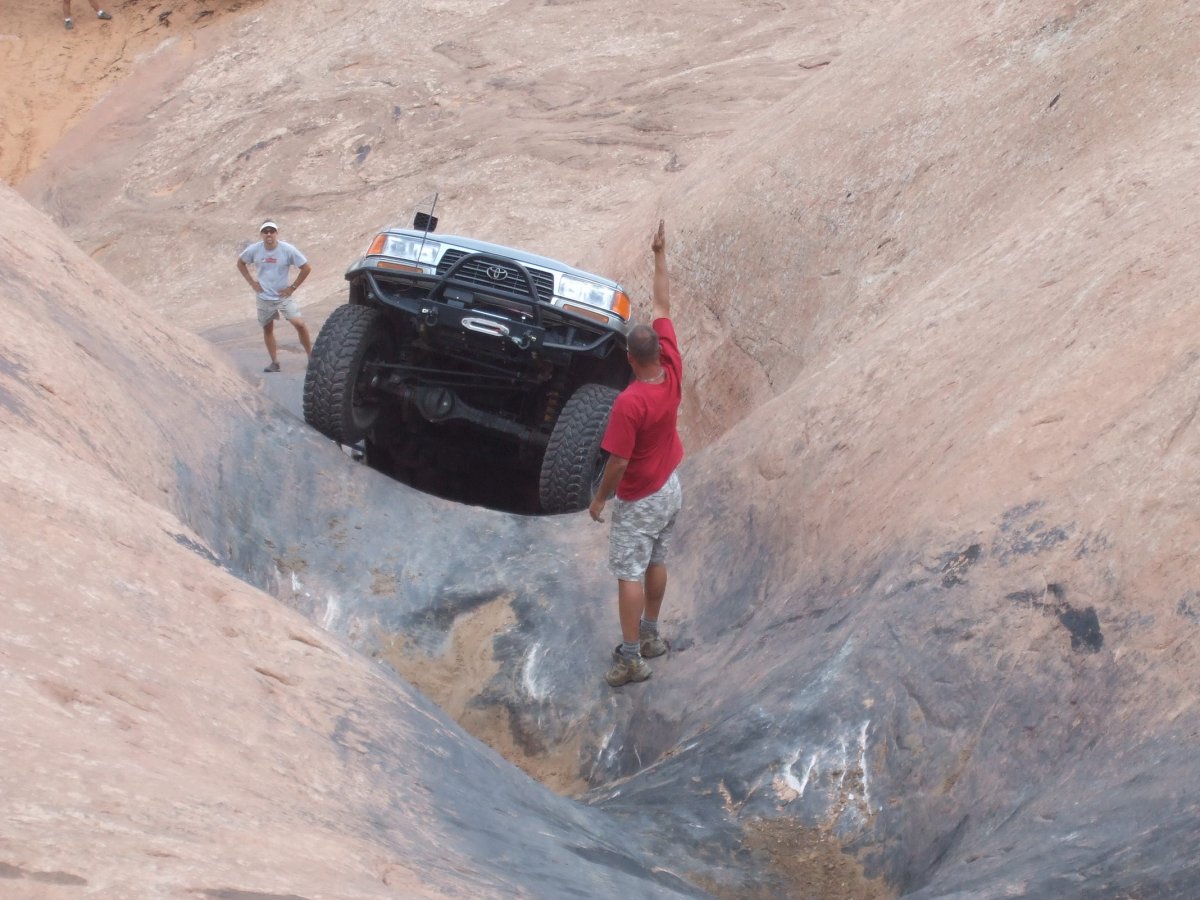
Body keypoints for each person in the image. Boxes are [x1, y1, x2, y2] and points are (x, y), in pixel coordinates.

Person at [589, 219, 684, 687]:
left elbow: (619, 462)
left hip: (642, 494)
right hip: (670, 486)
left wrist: (601, 499)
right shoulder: (671, 363)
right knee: (657, 559)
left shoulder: (630, 404)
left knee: (629, 571)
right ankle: (650, 636)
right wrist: (659, 254)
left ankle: (631, 659)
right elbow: (663, 301)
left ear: (629, 358)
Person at [236, 220, 313, 372]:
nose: (269, 234)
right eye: (266, 231)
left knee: (299, 324)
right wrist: (252, 283)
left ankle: (311, 358)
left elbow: (306, 267)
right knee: (267, 328)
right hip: (264, 296)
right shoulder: (255, 250)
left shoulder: (287, 249)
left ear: (277, 233)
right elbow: (240, 263)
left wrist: (293, 287)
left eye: (272, 231)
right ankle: (275, 362)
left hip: (282, 297)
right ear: (261, 234)